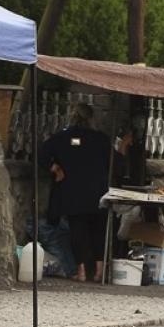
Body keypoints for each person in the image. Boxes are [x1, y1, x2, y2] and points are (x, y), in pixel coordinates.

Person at [42, 103, 113, 283]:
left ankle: (81, 271)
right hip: (98, 192)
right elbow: (115, 163)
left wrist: (54, 168)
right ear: (92, 118)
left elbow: (40, 153)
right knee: (98, 230)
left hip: (73, 192)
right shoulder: (102, 139)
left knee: (77, 231)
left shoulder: (62, 138)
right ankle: (99, 271)